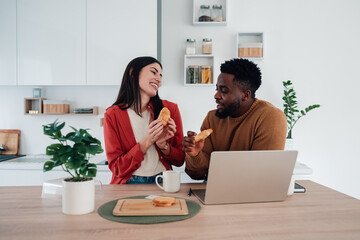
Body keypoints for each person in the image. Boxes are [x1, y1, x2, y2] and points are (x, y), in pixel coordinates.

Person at [183, 58, 287, 180]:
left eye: (224, 91)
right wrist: (195, 154)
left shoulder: (270, 117)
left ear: (245, 95)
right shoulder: (212, 118)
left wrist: (214, 171)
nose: (216, 96)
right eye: (217, 89)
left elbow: (262, 174)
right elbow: (197, 174)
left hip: (253, 195)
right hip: (215, 191)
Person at [103, 56, 185, 184]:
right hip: (128, 183)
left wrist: (163, 145)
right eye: (153, 72)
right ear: (133, 73)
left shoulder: (170, 109)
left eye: (161, 75)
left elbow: (180, 160)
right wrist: (148, 141)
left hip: (163, 181)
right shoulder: (112, 115)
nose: (158, 79)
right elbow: (117, 168)